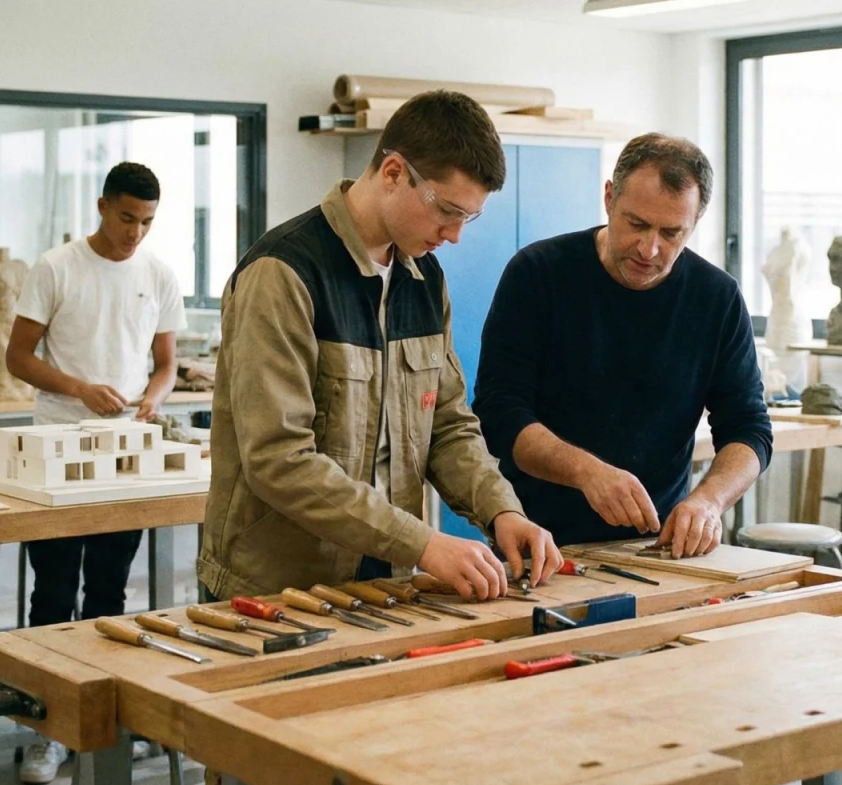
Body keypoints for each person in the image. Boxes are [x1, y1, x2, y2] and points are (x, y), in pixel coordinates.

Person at [198, 90, 560, 607]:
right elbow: (279, 459)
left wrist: (503, 511)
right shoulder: (284, 274)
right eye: (448, 211)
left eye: (469, 218)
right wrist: (424, 542)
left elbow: (448, 425)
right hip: (275, 589)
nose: (455, 236)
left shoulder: (423, 278)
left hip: (383, 582)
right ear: (393, 173)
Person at [472, 133, 772, 556]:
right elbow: (500, 415)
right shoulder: (538, 275)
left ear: (695, 223)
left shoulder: (716, 298)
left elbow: (749, 428)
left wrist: (709, 501)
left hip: (655, 548)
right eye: (637, 224)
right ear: (609, 198)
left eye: (671, 233)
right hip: (536, 542)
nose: (650, 248)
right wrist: (584, 471)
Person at [5, 162, 185, 784]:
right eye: (128, 217)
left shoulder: (158, 273)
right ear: (103, 206)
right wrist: (80, 388)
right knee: (53, 594)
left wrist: (155, 398)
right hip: (56, 449)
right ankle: (45, 725)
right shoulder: (56, 267)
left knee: (109, 595)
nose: (137, 232)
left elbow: (166, 362)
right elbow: (18, 357)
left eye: (148, 222)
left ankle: (102, 724)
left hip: (123, 452)